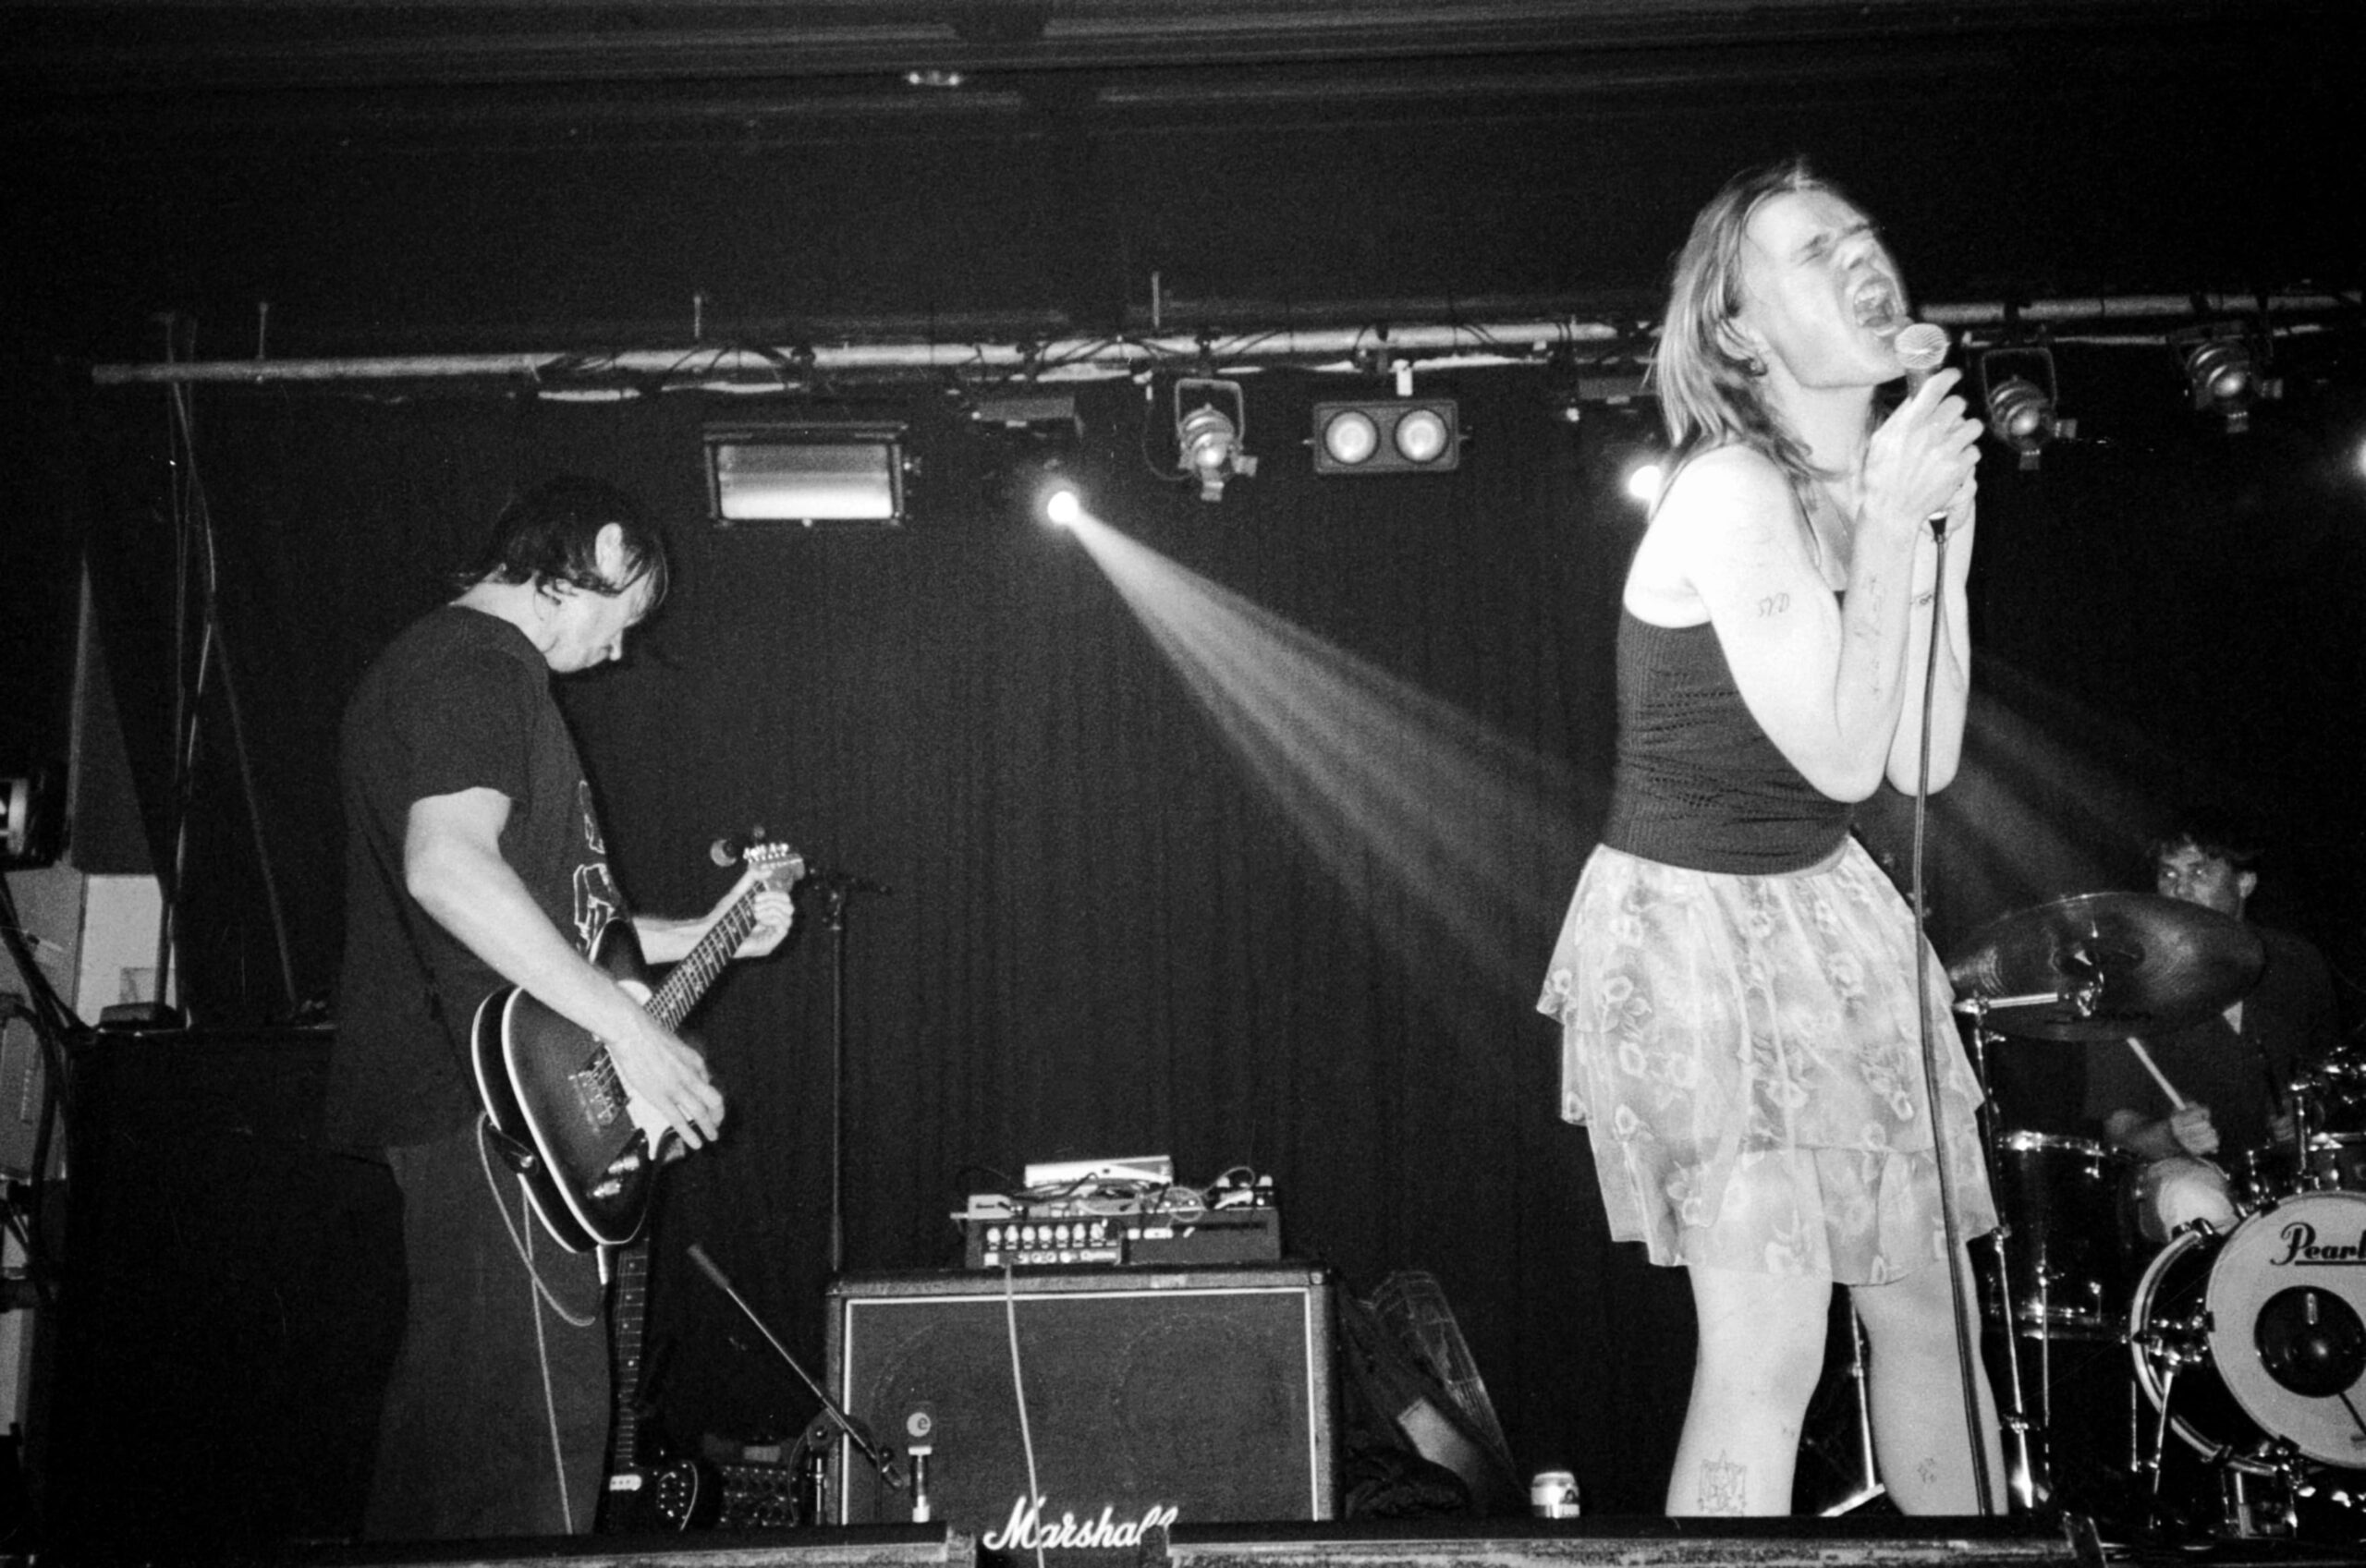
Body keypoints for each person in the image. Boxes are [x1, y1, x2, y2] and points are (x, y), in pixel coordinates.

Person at [1536, 159, 2002, 1515]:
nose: (1860, 254)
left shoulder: (1867, 490)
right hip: (1697, 925)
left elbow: (1920, 755)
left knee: (1933, 1315)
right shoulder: (1733, 488)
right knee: (1771, 1345)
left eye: (1862, 232)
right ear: (1738, 330)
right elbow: (1846, 755)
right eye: (1812, 249)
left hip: (1821, 905)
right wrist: (1901, 526)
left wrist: (1936, 537)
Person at [325, 477, 795, 1540]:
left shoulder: (461, 668)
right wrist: (633, 1029)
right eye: (626, 614)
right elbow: (448, 869)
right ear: (603, 551)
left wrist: (712, 928)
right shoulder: (476, 663)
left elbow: (571, 926)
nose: (620, 649)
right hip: (489, 1105)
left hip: (479, 1101)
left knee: (451, 1459)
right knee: (533, 1457)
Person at [2091, 808, 2341, 1183]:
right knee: (2194, 1200)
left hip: (2291, 1174)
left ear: (2244, 883)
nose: (2179, 890)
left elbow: (2334, 1082)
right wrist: (2171, 1136)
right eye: (2168, 874)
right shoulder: (2128, 986)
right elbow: (2120, 1130)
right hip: (2182, 1174)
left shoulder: (2297, 963)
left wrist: (2309, 1113)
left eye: (2198, 873)